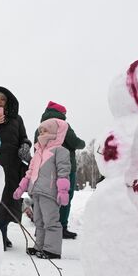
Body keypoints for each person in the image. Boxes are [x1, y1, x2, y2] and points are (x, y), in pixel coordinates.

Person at [13, 119, 71, 259]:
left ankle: (52, 250)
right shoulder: (38, 152)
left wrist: (63, 191)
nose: (42, 133)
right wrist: (22, 187)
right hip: (36, 192)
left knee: (51, 220)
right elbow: (30, 172)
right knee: (38, 221)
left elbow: (63, 171)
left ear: (54, 132)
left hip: (50, 192)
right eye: (40, 131)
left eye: (45, 130)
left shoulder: (60, 151)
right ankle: (40, 246)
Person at [0, 86, 32, 251]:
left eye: (2, 99)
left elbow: (24, 138)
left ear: (8, 101)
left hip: (12, 166)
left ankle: (2, 234)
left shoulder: (16, 119)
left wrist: (25, 146)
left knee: (9, 200)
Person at [34, 101, 85, 239]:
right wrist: (82, 144)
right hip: (66, 168)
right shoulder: (63, 126)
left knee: (46, 197)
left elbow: (36, 148)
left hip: (45, 169)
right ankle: (61, 227)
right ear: (61, 113)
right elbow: (76, 142)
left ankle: (42, 227)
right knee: (65, 196)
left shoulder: (40, 128)